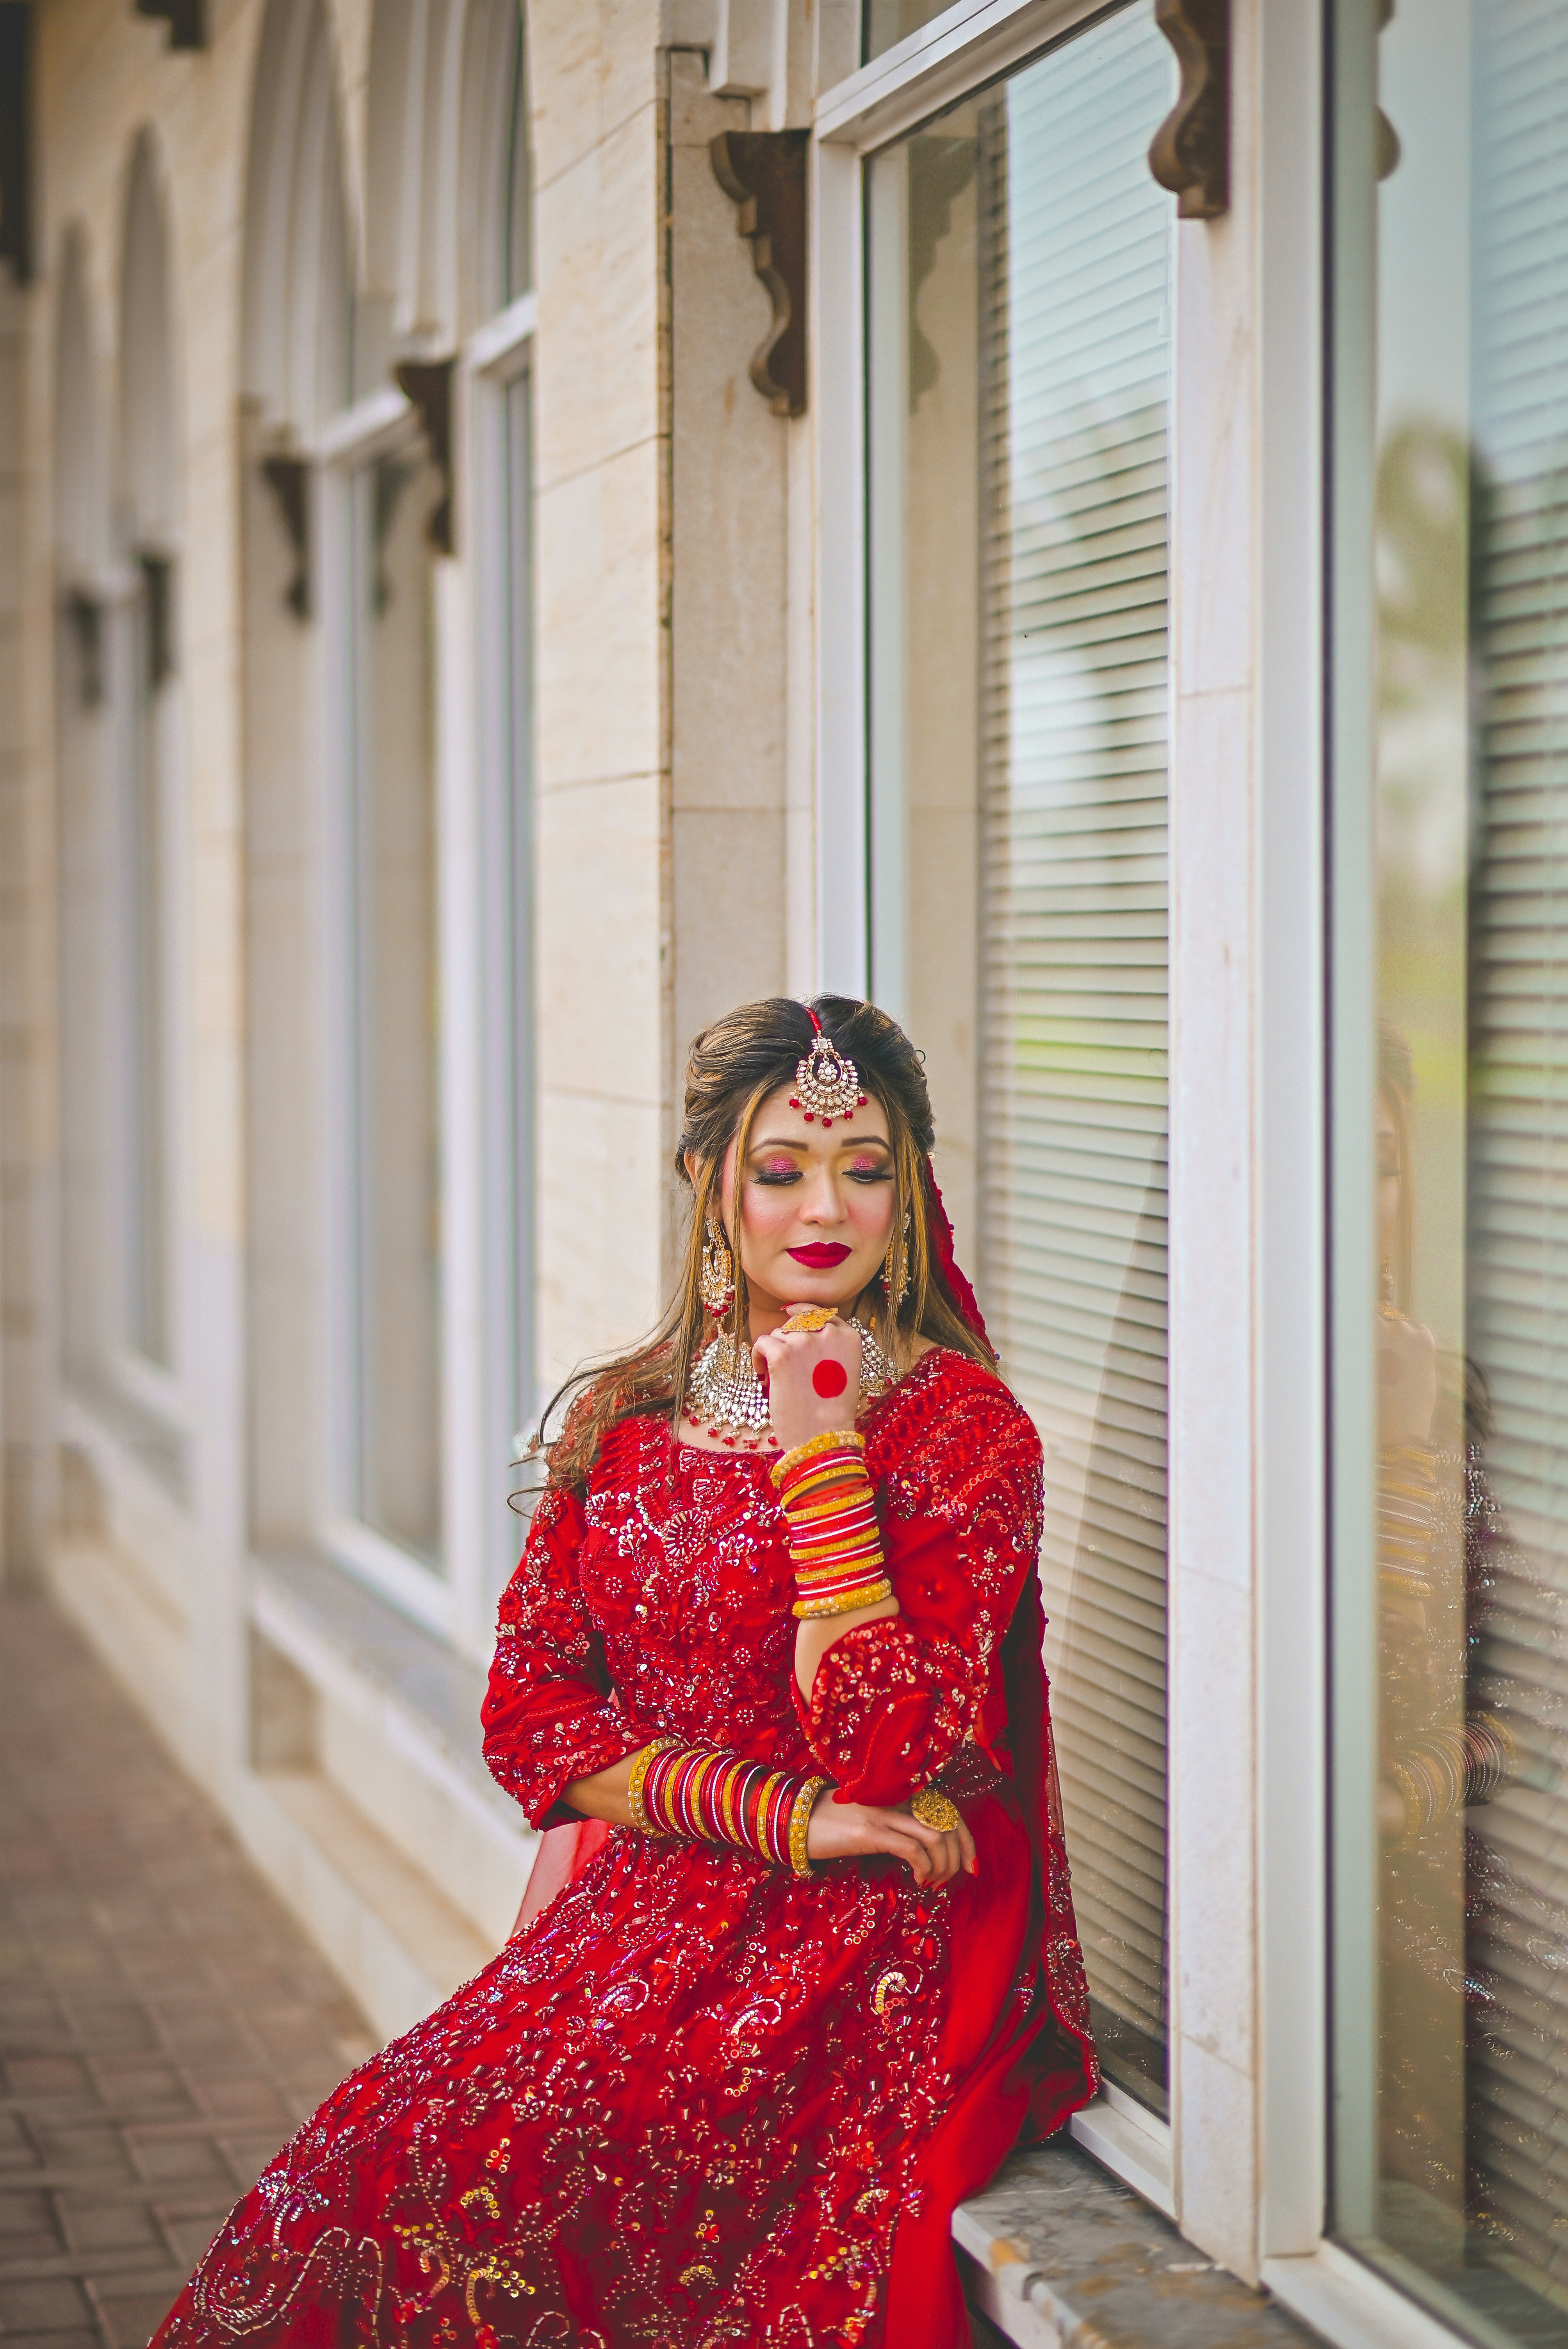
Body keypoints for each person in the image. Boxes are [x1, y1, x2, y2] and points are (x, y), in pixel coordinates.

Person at [151, 996, 1096, 2349]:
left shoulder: (961, 1430)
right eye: (782, 1169)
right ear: (713, 1189)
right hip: (661, 1886)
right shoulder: (628, 1418)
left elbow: (890, 1747)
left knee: (539, 2162)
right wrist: (780, 1815)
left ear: (910, 1188)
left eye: (865, 1166)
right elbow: (529, 1715)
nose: (826, 1203)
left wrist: (820, 1450)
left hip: (866, 1927)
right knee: (372, 2153)